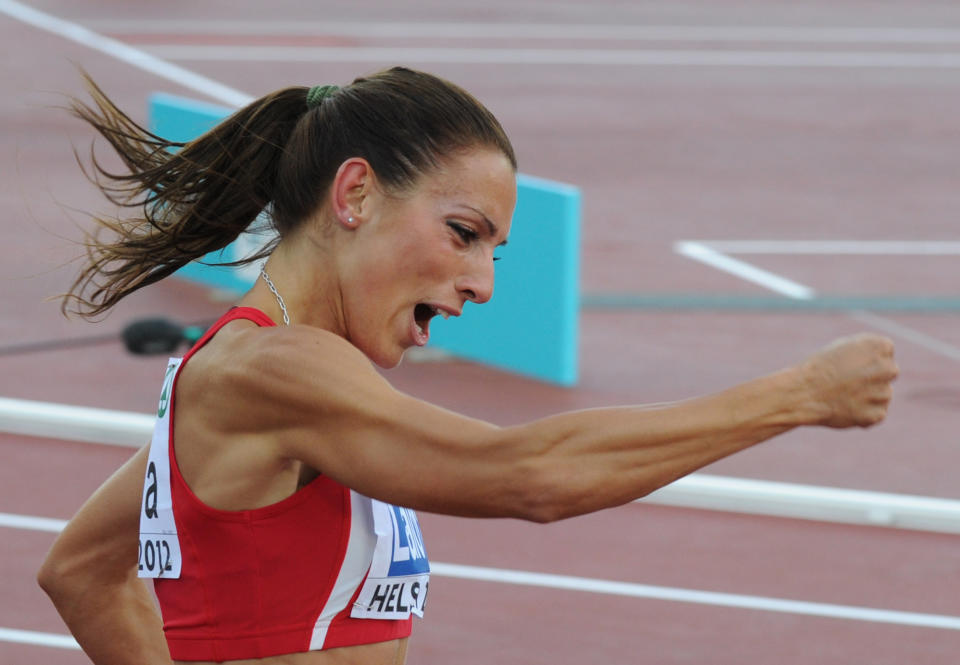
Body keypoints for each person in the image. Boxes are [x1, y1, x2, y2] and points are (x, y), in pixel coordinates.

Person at [37, 67, 898, 665]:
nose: (482, 283)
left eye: (495, 250)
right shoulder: (272, 371)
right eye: (463, 233)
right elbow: (529, 475)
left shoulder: (254, 375)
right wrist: (800, 394)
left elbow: (79, 569)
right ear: (356, 194)